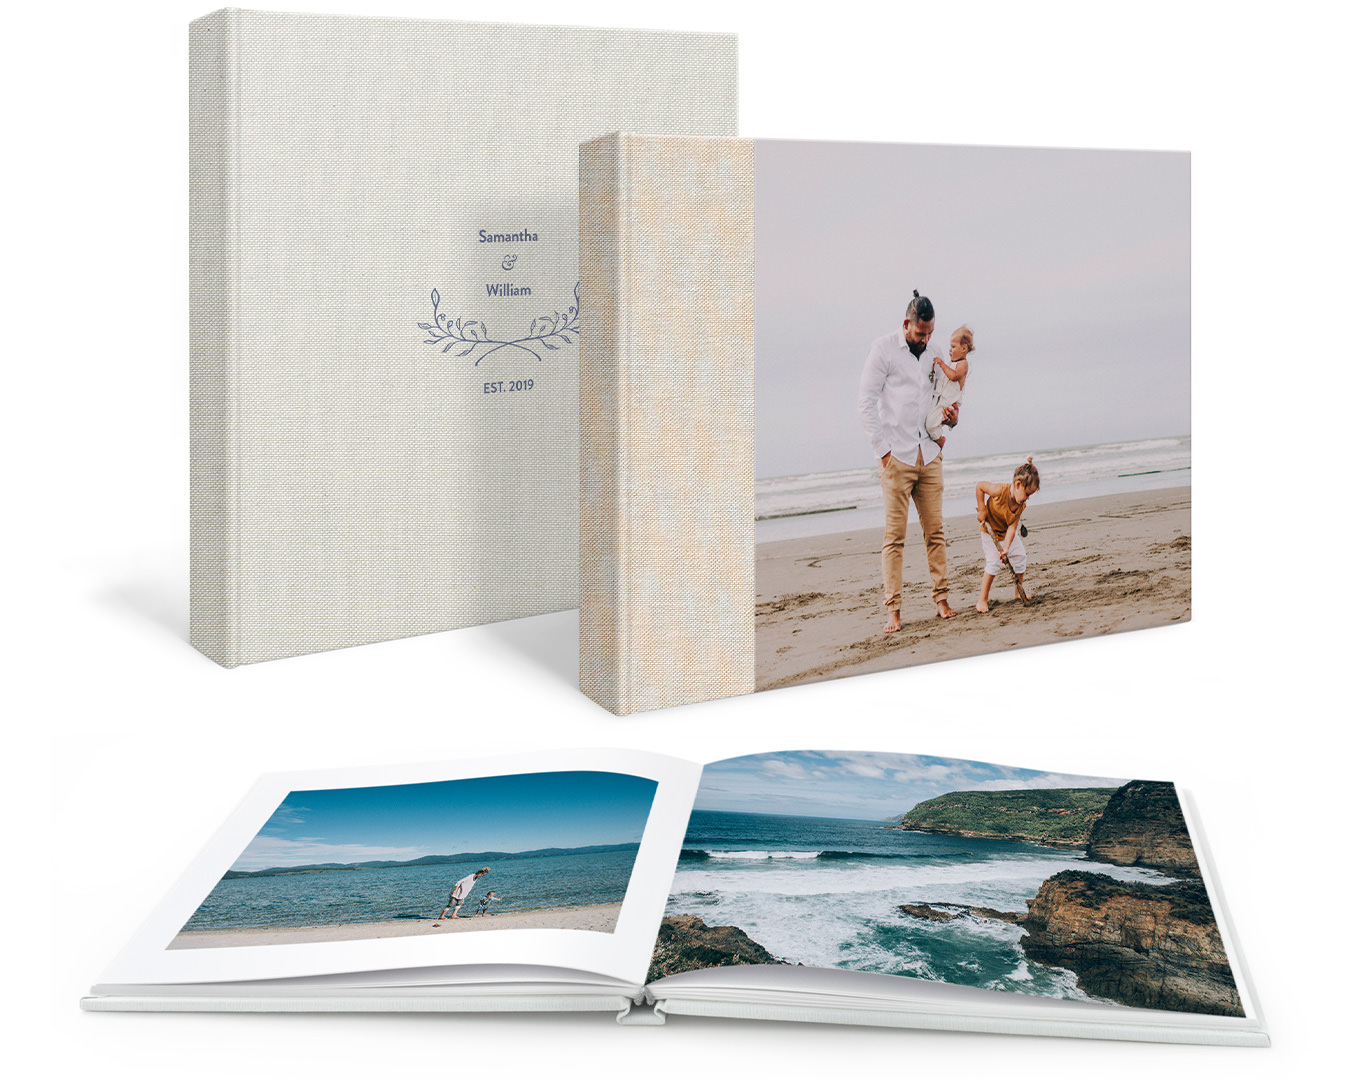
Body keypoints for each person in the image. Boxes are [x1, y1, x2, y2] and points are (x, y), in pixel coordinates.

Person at [858, 290, 961, 633]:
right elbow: (866, 402)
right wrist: (882, 451)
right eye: (921, 333)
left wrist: (951, 418)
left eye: (930, 333)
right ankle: (894, 611)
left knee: (936, 532)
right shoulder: (883, 349)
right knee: (895, 538)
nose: (926, 339)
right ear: (906, 324)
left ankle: (942, 600)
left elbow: (945, 396)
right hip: (896, 457)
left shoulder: (934, 353)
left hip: (929, 453)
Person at [974, 458, 1041, 612]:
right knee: (993, 563)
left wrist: (1006, 548)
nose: (1028, 498)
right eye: (1027, 493)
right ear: (1017, 485)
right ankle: (982, 600)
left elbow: (1012, 527)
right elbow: (980, 486)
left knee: (1020, 557)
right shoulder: (999, 491)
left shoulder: (1021, 504)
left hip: (1006, 533)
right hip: (989, 532)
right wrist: (982, 508)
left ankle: (1018, 592)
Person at [926, 326, 973, 448]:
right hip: (939, 399)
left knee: (930, 424)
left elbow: (955, 376)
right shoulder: (951, 364)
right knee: (930, 421)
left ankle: (939, 440)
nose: (949, 350)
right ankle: (936, 437)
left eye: (953, 347)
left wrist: (941, 364)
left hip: (948, 403)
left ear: (964, 348)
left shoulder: (963, 364)